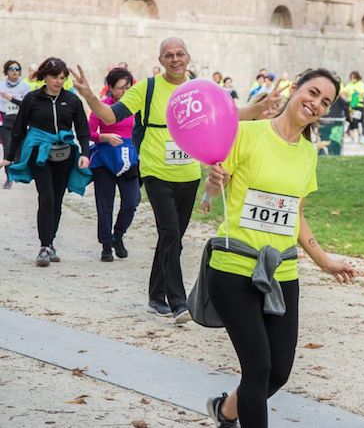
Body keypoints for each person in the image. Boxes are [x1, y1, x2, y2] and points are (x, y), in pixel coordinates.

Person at [70, 37, 281, 324]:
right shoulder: (148, 88)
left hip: (189, 176)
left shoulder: (199, 88)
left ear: (188, 57)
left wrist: (262, 106)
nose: (175, 59)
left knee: (172, 238)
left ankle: (155, 297)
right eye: (168, 55)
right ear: (161, 60)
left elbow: (232, 115)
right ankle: (178, 302)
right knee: (170, 235)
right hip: (156, 174)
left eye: (180, 53)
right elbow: (110, 114)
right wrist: (90, 96)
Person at [201, 68, 355, 428]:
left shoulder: (307, 153)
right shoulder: (247, 133)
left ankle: (226, 412)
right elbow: (212, 191)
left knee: (279, 372)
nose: (316, 103)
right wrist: (211, 184)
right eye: (312, 92)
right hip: (233, 266)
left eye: (325, 101)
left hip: (281, 272)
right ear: (295, 89)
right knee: (258, 367)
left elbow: (295, 215)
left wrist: (324, 261)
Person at [0, 58, 91, 266]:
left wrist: (85, 153)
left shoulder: (72, 100)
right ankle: (43, 246)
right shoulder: (32, 99)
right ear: (44, 77)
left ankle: (51, 244)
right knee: (47, 197)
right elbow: (19, 130)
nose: (59, 81)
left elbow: (82, 129)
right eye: (54, 77)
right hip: (38, 154)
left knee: (57, 200)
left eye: (62, 78)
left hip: (64, 154)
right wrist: (9, 156)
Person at [88, 67, 141, 262]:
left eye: (128, 87)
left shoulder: (136, 107)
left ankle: (118, 235)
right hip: (105, 159)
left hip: (129, 159)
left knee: (132, 200)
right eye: (120, 88)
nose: (124, 92)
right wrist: (104, 136)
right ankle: (106, 244)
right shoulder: (102, 107)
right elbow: (88, 132)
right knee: (104, 204)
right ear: (110, 87)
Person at [1, 60, 32, 189]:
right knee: (8, 149)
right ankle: (9, 177)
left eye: (17, 68)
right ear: (6, 71)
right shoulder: (1, 86)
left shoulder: (25, 87)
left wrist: (10, 99)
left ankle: (17, 172)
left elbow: (26, 105)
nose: (14, 71)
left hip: (21, 121)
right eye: (11, 68)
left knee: (20, 150)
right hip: (5, 121)